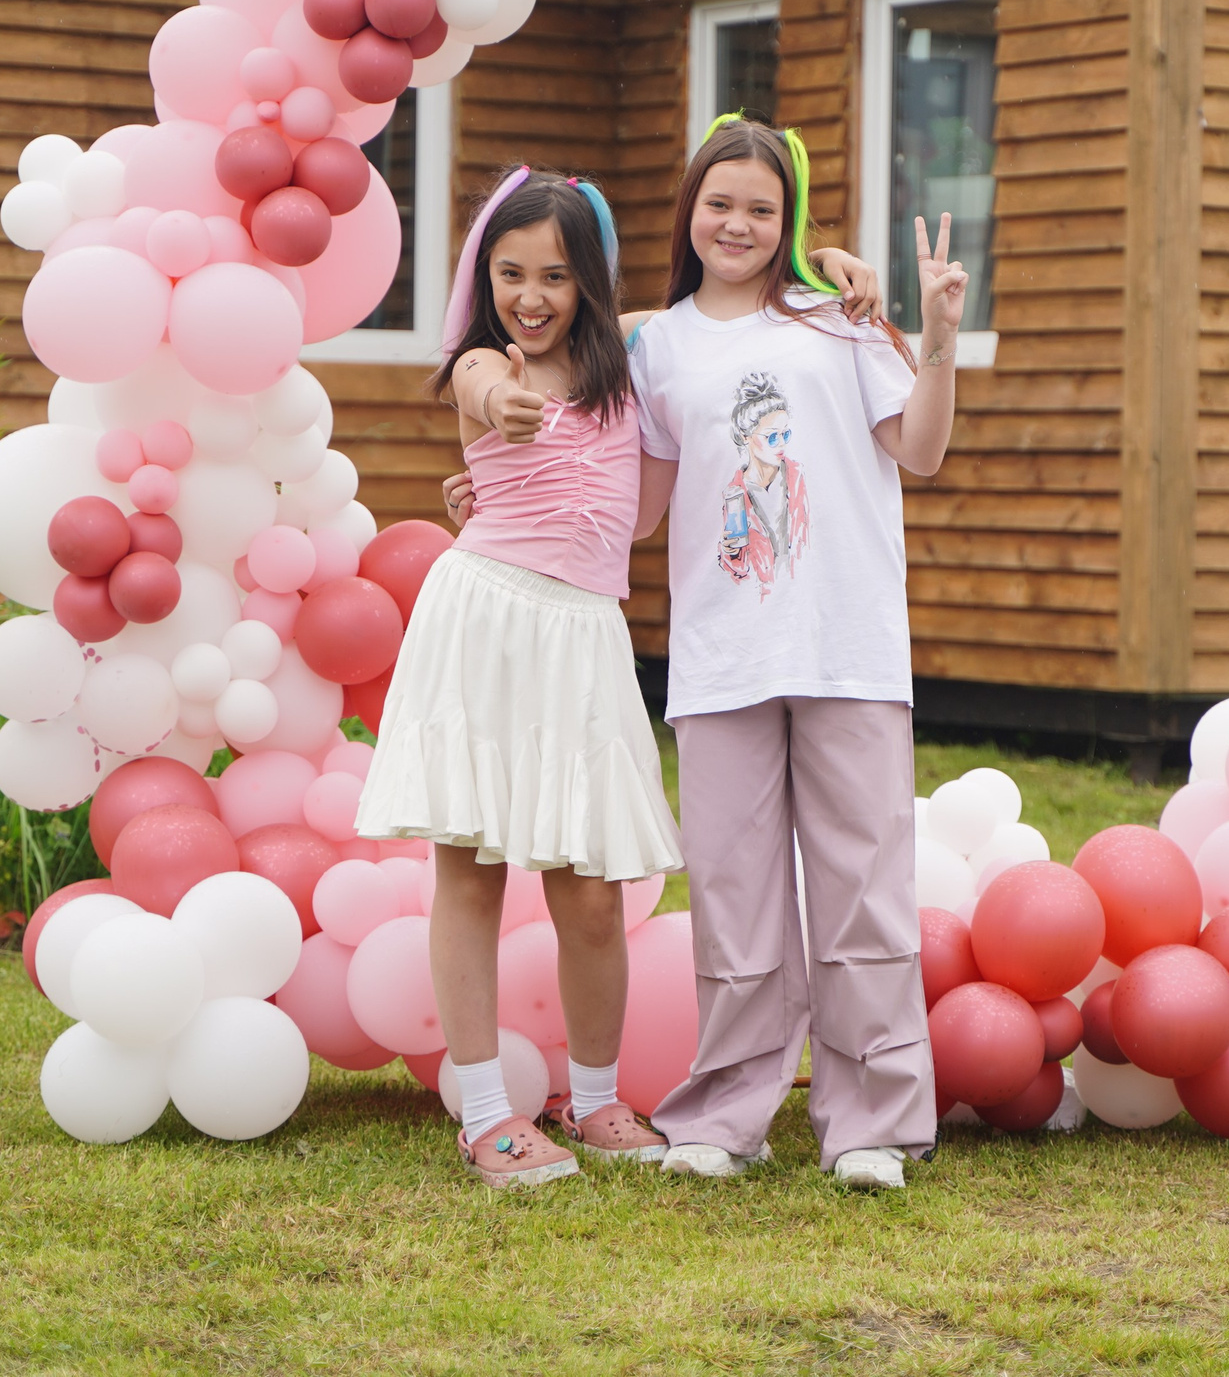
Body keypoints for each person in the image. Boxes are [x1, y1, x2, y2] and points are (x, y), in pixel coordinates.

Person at [358, 165, 877, 1189]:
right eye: (509, 275)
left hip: (584, 637)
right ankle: (485, 1116)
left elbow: (729, 298)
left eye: (554, 276)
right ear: (483, 281)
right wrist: (501, 404)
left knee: (592, 893)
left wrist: (833, 270)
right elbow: (484, 387)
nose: (532, 298)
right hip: (488, 620)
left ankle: (591, 1103)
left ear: (589, 283)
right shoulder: (482, 364)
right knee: (470, 871)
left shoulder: (635, 354)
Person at [627, 116, 965, 1192]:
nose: (736, 224)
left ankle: (871, 1122)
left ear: (791, 224)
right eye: (718, 203)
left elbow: (920, 449)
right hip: (720, 657)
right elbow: (635, 513)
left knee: (863, 890)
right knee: (731, 893)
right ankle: (728, 1115)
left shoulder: (842, 323)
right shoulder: (658, 346)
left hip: (847, 648)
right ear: (689, 210)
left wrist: (939, 334)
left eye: (761, 210)